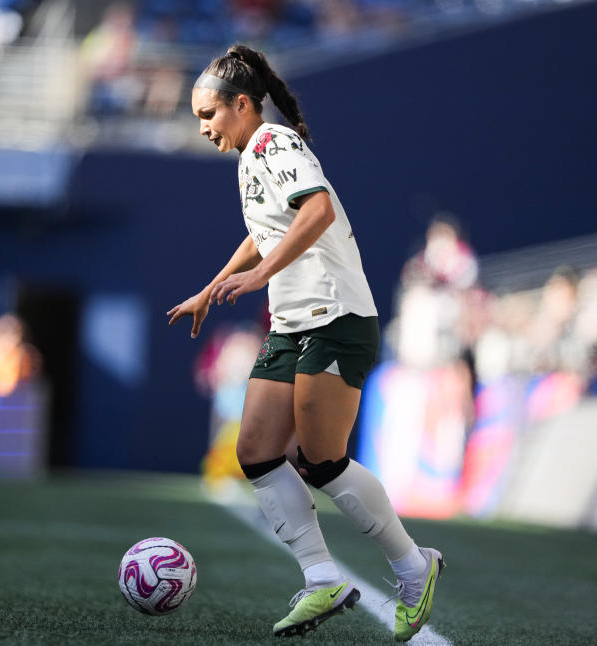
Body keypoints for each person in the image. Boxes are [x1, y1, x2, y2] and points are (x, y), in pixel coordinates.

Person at [167, 45, 444, 640]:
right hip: (293, 323)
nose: (204, 128)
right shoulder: (249, 156)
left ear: (243, 105)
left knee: (322, 461)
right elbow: (262, 234)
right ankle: (322, 578)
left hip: (335, 317)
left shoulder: (276, 144)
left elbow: (315, 210)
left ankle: (413, 566)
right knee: (257, 451)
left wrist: (260, 276)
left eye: (208, 115)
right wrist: (210, 289)